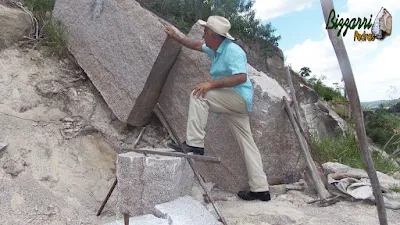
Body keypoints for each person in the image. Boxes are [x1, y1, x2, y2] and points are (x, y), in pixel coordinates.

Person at [164, 16, 270, 202]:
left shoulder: (232, 51)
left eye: (205, 31)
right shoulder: (216, 49)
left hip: (237, 98)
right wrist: (176, 37)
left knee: (199, 94)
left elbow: (241, 77)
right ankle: (260, 189)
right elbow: (196, 45)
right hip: (232, 102)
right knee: (248, 144)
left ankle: (195, 144)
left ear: (213, 35)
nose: (203, 34)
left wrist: (211, 85)